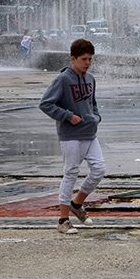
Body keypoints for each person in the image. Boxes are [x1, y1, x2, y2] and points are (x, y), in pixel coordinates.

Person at [38, 38, 105, 235]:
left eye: (90, 59)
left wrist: (96, 117)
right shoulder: (63, 79)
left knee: (99, 169)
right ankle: (63, 219)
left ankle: (77, 204)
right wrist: (68, 116)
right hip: (71, 135)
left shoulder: (91, 79)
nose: (87, 63)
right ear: (73, 59)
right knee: (71, 173)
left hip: (90, 133)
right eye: (84, 59)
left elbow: (92, 103)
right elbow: (46, 104)